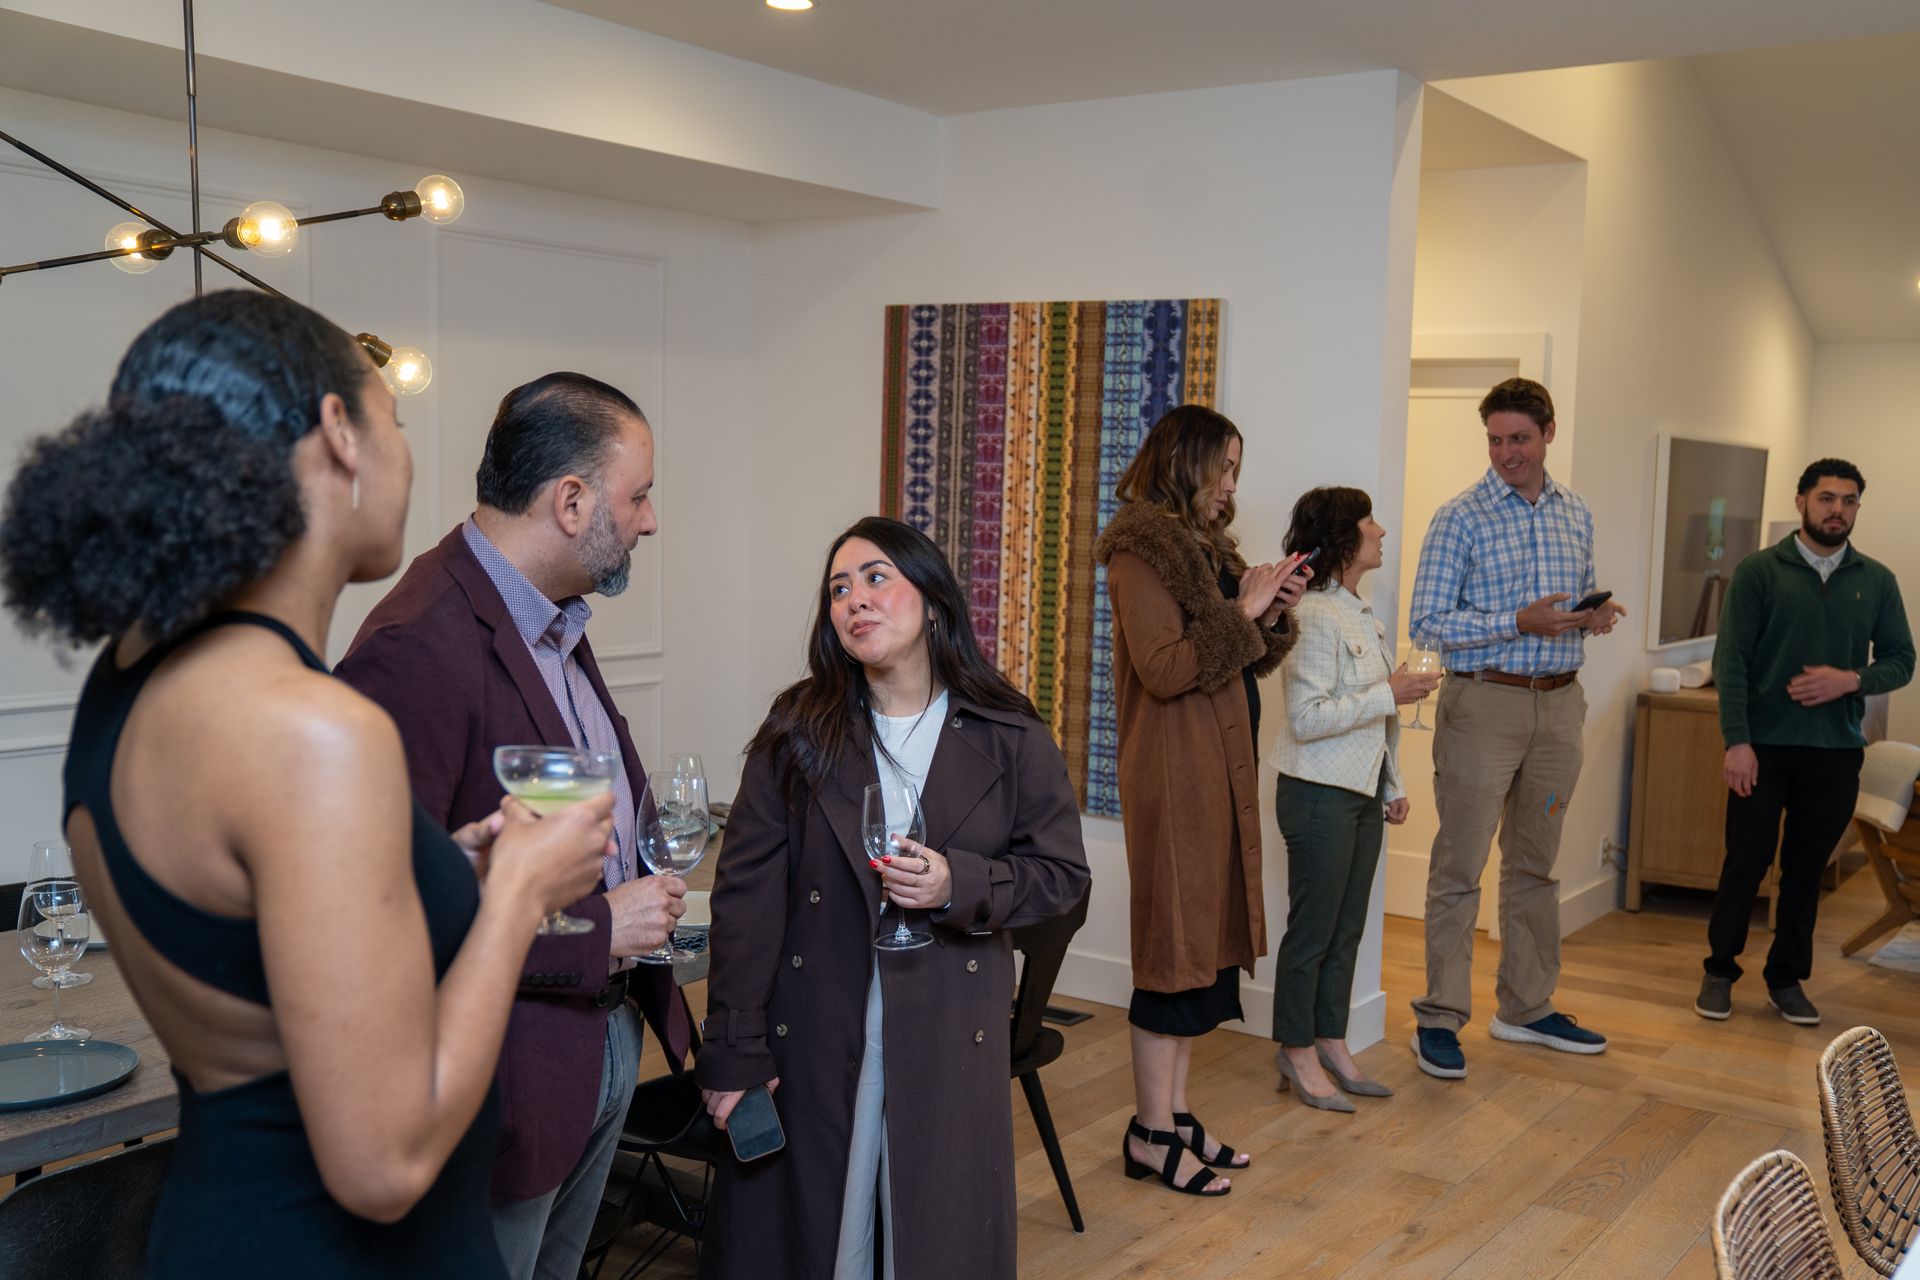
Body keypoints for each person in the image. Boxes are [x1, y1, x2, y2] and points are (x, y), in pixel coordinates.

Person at [0, 291, 611, 1277]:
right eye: (397, 423)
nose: (407, 456)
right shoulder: (310, 729)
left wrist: (436, 870)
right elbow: (385, 1162)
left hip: (213, 1229)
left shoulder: (130, 679)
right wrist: (516, 895)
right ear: (339, 431)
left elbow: (243, 932)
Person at [334, 372, 692, 1279]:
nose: (649, 521)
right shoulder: (416, 645)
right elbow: (381, 920)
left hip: (594, 1049)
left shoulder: (553, 623)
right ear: (570, 502)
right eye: (638, 495)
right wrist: (608, 929)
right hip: (502, 1082)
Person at [697, 516, 1089, 1280]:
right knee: (820, 1231)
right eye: (839, 589)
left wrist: (960, 884)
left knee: (932, 1231)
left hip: (946, 1023)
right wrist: (734, 1048)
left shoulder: (1008, 730)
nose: (855, 600)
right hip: (816, 1022)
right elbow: (746, 899)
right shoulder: (797, 728)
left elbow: (1063, 879)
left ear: (933, 599)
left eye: (876, 578)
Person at [1093, 404, 1308, 1197]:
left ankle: (1175, 1116)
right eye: (1224, 469)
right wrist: (1244, 610)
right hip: (1175, 776)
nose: (1230, 488)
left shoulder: (1201, 550)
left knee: (1200, 955)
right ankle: (1149, 1132)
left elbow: (1237, 656)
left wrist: (1269, 610)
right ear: (1186, 464)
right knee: (1170, 955)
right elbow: (1168, 668)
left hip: (1217, 774)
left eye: (1238, 473)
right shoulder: (1139, 555)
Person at [1405, 376, 1626, 1080]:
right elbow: (1428, 624)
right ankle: (1439, 1018)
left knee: (1535, 864)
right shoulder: (1460, 517)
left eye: (1519, 439)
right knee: (1459, 866)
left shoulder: (1575, 513)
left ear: (1548, 433)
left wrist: (1595, 614)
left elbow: (1574, 598)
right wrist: (1515, 621)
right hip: (1484, 707)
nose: (1506, 453)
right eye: (1496, 439)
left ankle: (1525, 1008)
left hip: (1560, 706)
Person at [1695, 458, 1913, 1026]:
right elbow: (1732, 661)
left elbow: (1901, 660)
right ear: (1801, 502)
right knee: (1745, 864)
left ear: (1857, 508)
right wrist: (1736, 742)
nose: (1836, 509)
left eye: (1848, 500)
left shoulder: (1876, 579)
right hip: (1762, 749)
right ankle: (1720, 970)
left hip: (1836, 751)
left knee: (1804, 872)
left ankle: (1786, 979)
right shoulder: (1759, 572)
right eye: (1826, 498)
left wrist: (1850, 680)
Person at [1267, 487, 1438, 1110]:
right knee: (1313, 931)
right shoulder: (1311, 615)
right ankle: (1296, 1048)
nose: (1381, 530)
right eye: (1369, 520)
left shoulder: (1358, 612)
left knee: (1347, 931)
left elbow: (1376, 719)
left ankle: (1330, 1040)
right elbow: (1308, 718)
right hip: (1317, 794)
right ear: (1343, 536)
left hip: (1360, 794)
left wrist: (1392, 787)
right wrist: (1390, 692)